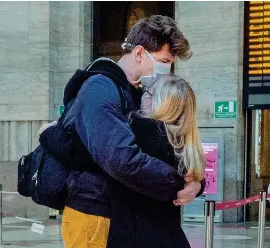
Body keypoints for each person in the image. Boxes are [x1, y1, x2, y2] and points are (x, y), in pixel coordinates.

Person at [38, 15, 204, 248]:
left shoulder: (137, 93)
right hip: (94, 211)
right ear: (139, 53)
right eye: (164, 60)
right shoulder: (101, 88)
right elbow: (120, 158)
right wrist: (177, 184)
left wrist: (195, 183)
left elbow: (165, 148)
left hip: (122, 214)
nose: (167, 70)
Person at [108, 75, 205, 247]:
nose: (143, 95)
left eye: (148, 92)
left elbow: (89, 153)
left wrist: (50, 134)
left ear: (157, 101)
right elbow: (187, 177)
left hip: (134, 235)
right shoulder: (182, 140)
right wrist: (198, 185)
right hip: (171, 237)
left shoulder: (139, 130)